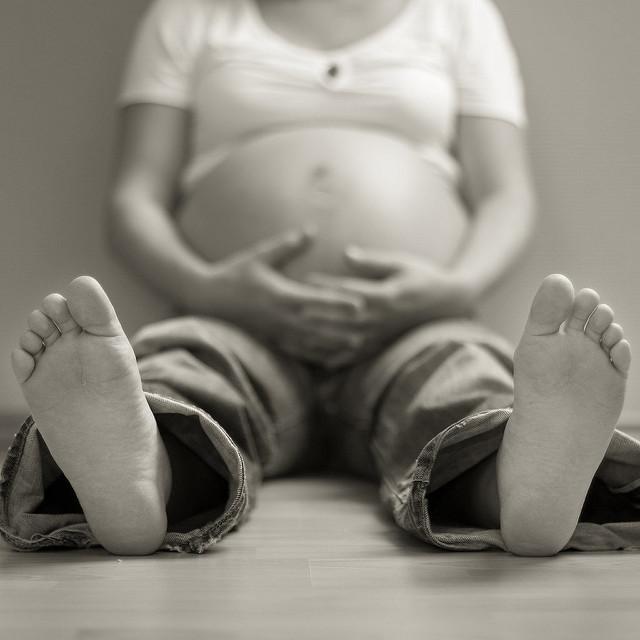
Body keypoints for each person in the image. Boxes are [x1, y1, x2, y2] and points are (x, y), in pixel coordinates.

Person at [2, 0, 640, 557]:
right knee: (190, 366)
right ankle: (139, 481)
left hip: (413, 324)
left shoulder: (457, 14)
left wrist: (454, 288)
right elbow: (134, 199)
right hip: (235, 320)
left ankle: (523, 488)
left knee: (458, 372)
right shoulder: (190, 13)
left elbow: (507, 196)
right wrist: (207, 288)